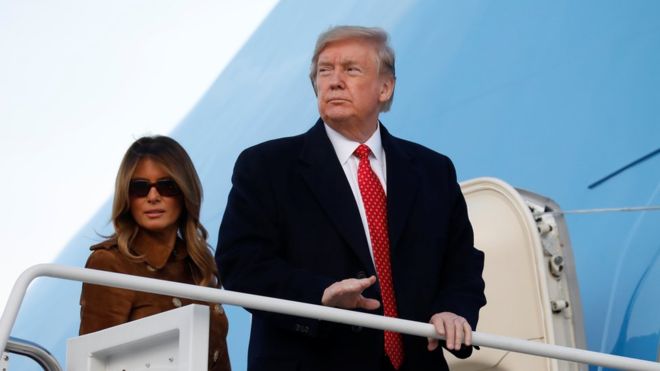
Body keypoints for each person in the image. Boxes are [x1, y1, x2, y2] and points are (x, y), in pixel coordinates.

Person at [217, 26, 485, 371]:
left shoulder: (433, 170)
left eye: (351, 69)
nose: (333, 81)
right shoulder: (267, 167)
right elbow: (241, 263)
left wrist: (453, 308)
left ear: (385, 88)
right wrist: (320, 295)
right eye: (324, 70)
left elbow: (461, 261)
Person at [79, 135, 231, 371]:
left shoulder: (198, 265)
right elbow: (91, 362)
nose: (153, 197)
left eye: (166, 186)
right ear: (127, 197)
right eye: (140, 187)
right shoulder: (110, 263)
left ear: (184, 191)